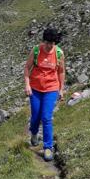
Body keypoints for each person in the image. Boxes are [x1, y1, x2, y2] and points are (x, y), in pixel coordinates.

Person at [24, 27, 65, 161]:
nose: (48, 46)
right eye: (47, 42)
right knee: (35, 116)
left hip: (51, 89)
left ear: (55, 43)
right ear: (44, 41)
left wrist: (61, 89)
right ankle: (34, 133)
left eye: (51, 43)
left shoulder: (58, 53)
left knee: (46, 117)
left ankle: (48, 147)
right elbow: (27, 67)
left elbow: (61, 71)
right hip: (35, 89)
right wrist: (27, 85)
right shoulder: (36, 50)